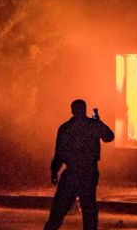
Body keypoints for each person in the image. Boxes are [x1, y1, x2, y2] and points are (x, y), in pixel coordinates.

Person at [43, 99, 115, 230]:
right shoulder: (92, 125)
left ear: (72, 111)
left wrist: (54, 172)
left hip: (72, 172)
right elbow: (109, 137)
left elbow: (59, 153)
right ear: (85, 110)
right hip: (89, 172)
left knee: (59, 209)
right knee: (89, 210)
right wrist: (98, 122)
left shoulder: (66, 128)